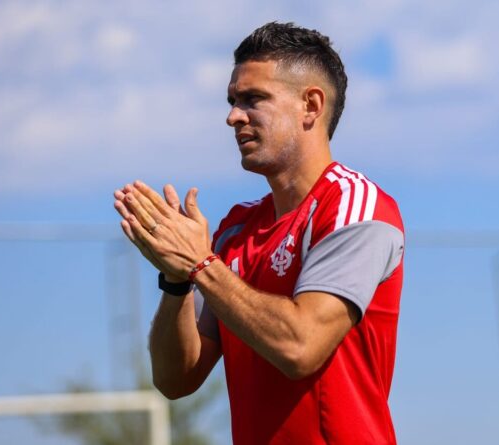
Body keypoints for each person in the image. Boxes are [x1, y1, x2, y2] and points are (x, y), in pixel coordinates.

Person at [113, 22, 404, 444]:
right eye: (233, 101)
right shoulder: (236, 229)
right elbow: (175, 380)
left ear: (310, 106)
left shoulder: (355, 206)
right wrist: (176, 280)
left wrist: (200, 264)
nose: (233, 116)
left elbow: (301, 347)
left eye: (253, 99)